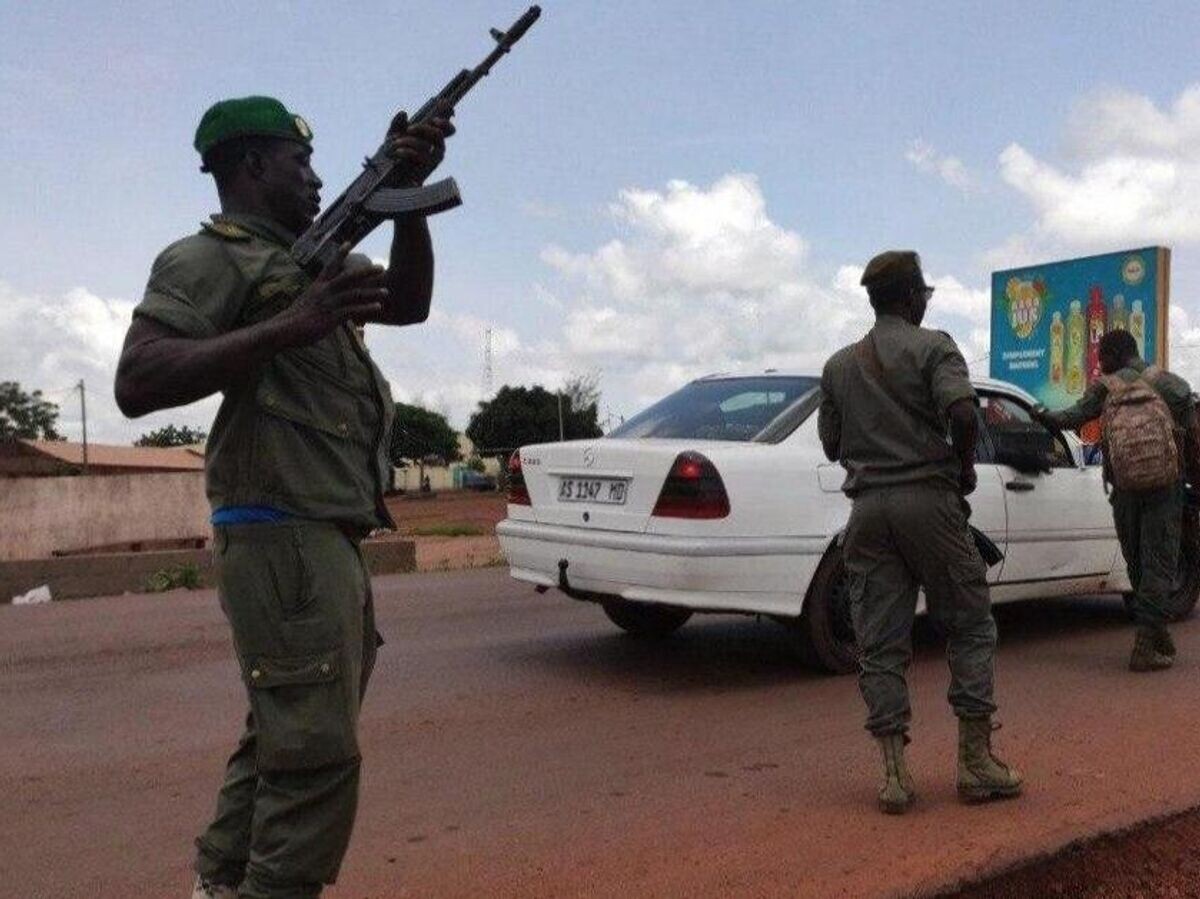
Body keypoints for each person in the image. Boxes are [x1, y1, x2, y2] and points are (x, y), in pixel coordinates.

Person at [114, 96, 455, 899]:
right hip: (281, 532)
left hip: (318, 535)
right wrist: (290, 325)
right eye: (299, 162)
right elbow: (137, 381)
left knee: (285, 733)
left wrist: (409, 199)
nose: (315, 176)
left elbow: (406, 303)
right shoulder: (210, 259)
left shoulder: (314, 258)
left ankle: (222, 883)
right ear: (253, 166)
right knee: (315, 756)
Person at [818, 250, 1022, 814]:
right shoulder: (935, 346)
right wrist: (961, 467)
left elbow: (832, 444)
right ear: (913, 297)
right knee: (971, 624)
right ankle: (976, 764)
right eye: (924, 294)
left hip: (867, 512)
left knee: (880, 643)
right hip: (929, 504)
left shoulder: (837, 366)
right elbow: (962, 414)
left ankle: (894, 776)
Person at [1033, 329, 1198, 672]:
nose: (1099, 364)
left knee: (1136, 561)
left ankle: (1149, 638)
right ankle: (1150, 638)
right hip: (1165, 486)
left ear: (1112, 355)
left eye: (1101, 357)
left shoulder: (1105, 387)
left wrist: (1042, 415)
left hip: (1124, 486)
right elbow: (1186, 401)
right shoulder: (1164, 381)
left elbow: (1071, 418)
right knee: (1160, 563)